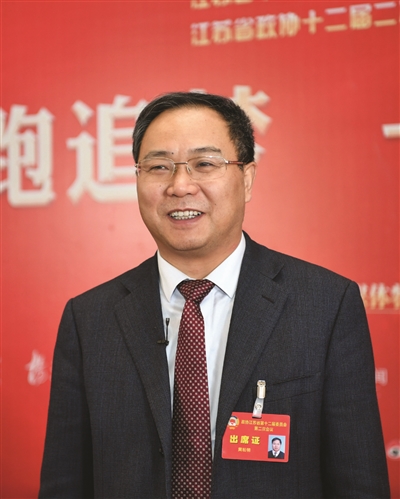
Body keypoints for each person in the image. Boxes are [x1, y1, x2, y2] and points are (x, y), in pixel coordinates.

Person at [39, 92, 390, 498]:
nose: (180, 186)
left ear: (247, 178)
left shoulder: (325, 305)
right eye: (159, 167)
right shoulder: (89, 319)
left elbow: (359, 483)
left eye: (204, 164)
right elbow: (65, 485)